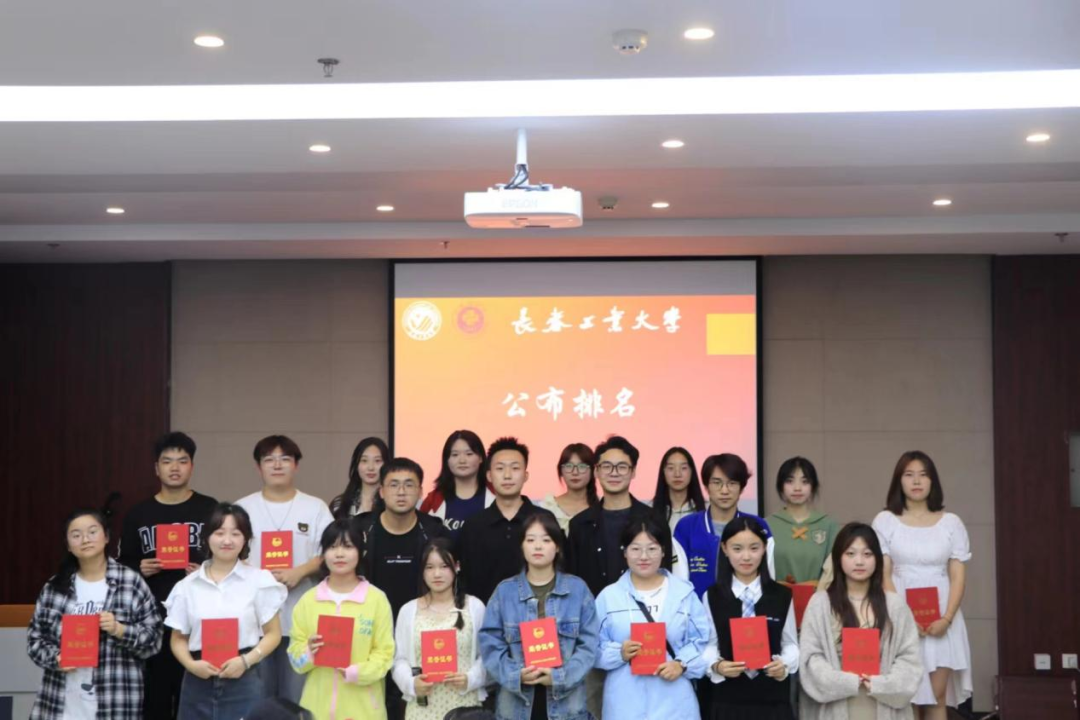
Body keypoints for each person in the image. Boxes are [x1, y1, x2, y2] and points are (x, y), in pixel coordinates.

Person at [117, 431, 219, 719]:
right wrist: (140, 568)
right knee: (156, 699)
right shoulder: (138, 514)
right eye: (167, 461)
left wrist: (206, 570)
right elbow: (121, 567)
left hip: (201, 618)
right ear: (156, 468)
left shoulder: (210, 508)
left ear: (192, 467)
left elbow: (229, 556)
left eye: (182, 461)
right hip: (153, 620)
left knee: (199, 698)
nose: (175, 468)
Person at [28, 508, 163, 720]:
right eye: (76, 535)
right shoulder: (55, 587)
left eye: (92, 532)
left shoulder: (131, 582)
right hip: (61, 703)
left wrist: (120, 630)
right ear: (68, 545)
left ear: (106, 537)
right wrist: (56, 658)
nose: (85, 539)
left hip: (115, 700)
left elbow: (154, 640)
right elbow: (35, 640)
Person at [872, 451, 972, 719]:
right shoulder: (885, 521)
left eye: (923, 475)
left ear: (932, 481)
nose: (916, 481)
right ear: (899, 481)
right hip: (898, 615)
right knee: (907, 697)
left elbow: (958, 576)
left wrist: (947, 618)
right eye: (909, 475)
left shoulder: (951, 523)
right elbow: (884, 574)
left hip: (942, 616)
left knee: (937, 696)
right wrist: (904, 619)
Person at [164, 503, 286, 719]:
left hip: (244, 675)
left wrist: (246, 661)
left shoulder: (260, 580)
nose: (227, 540)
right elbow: (178, 638)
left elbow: (273, 633)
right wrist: (191, 665)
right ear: (207, 537)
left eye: (235, 534)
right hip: (198, 677)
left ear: (245, 539)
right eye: (219, 533)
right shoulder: (186, 586)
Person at [236, 435, 334, 703]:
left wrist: (300, 571)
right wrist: (258, 577)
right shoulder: (242, 508)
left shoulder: (315, 507)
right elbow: (229, 554)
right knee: (259, 701)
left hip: (300, 618)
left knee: (296, 701)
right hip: (255, 621)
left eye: (285, 459)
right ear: (258, 467)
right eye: (269, 460)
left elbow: (332, 552)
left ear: (296, 465)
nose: (277, 465)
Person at [352, 456, 449, 720]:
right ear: (381, 491)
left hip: (419, 632)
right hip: (369, 631)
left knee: (416, 705)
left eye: (409, 484)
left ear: (420, 491)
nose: (402, 491)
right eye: (394, 485)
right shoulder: (360, 529)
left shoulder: (434, 531)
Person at [479, 512, 599, 720]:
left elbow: (589, 645)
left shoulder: (578, 590)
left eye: (546, 540)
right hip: (516, 704)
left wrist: (560, 676)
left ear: (557, 546)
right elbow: (490, 644)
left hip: (567, 705)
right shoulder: (504, 592)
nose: (537, 546)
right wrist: (515, 674)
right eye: (530, 540)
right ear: (522, 546)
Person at [799, 523, 923, 720]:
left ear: (877, 559)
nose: (859, 561)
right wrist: (845, 682)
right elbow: (810, 657)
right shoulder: (820, 603)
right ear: (838, 558)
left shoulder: (895, 605)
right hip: (835, 708)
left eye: (867, 554)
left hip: (884, 707)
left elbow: (910, 658)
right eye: (850, 554)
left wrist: (882, 684)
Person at [594, 514, 712, 719]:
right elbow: (591, 647)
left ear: (663, 551)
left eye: (652, 548)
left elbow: (702, 642)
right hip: (624, 703)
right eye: (635, 549)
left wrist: (681, 664)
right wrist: (619, 653)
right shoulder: (608, 597)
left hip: (675, 703)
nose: (644, 556)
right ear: (625, 552)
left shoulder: (684, 594)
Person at [288, 519, 396, 720]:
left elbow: (385, 654)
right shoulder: (309, 601)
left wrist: (357, 673)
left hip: (364, 709)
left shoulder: (376, 599)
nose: (339, 554)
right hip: (316, 709)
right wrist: (308, 652)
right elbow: (295, 658)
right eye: (332, 547)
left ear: (360, 552)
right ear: (323, 554)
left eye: (347, 546)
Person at [702, 516, 797, 720]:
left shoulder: (782, 595)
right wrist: (717, 665)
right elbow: (709, 644)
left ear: (764, 548)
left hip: (773, 702)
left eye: (754, 548)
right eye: (737, 549)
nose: (746, 557)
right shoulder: (712, 596)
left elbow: (790, 643)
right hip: (727, 702)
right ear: (725, 549)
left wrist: (784, 664)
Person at [392, 539, 487, 719]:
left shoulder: (474, 607)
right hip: (422, 707)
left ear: (457, 567)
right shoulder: (408, 610)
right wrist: (411, 683)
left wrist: (470, 679)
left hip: (465, 706)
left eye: (444, 566)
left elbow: (487, 655)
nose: (437, 574)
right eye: (429, 567)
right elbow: (399, 659)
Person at [456, 436, 557, 604]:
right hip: (486, 614)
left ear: (525, 475)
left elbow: (559, 570)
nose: (508, 475)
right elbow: (465, 579)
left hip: (537, 614)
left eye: (515, 468)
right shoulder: (474, 525)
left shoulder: (544, 520)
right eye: (500, 468)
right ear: (489, 475)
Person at [675, 453, 775, 599]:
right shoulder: (686, 527)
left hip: (746, 610)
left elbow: (768, 581)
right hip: (697, 610)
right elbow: (679, 583)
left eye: (732, 483)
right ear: (706, 487)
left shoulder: (759, 526)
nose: (724, 491)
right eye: (717, 483)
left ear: (741, 488)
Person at [766, 457, 839, 586]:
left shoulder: (828, 525)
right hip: (777, 596)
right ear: (781, 486)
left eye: (805, 482)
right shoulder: (767, 525)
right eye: (790, 481)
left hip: (818, 596)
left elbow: (834, 571)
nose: (797, 488)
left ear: (813, 486)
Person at [419, 430, 493, 537]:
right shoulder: (433, 500)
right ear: (447, 460)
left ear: (481, 458)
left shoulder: (496, 496)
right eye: (455, 455)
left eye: (469, 454)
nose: (462, 460)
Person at [536, 442, 598, 535]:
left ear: (593, 471)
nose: (575, 472)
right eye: (569, 466)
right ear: (560, 471)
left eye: (582, 466)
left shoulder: (603, 507)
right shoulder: (547, 507)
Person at [651, 446, 707, 535]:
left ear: (692, 472)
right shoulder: (649, 510)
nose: (677, 474)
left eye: (683, 468)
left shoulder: (707, 509)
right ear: (663, 472)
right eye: (671, 468)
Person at [331, 436, 391, 519]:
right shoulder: (339, 504)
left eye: (377, 461)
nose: (370, 467)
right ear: (356, 465)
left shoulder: (392, 503)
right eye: (364, 460)